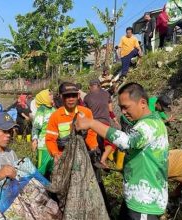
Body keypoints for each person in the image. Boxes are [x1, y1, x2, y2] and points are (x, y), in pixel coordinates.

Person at [76, 82, 169, 219]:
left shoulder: (149, 125)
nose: (123, 112)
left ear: (142, 103)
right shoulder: (150, 121)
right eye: (120, 108)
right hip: (135, 197)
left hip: (145, 202)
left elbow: (126, 142)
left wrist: (92, 123)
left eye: (126, 107)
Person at [45, 82, 98, 163]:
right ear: (62, 97)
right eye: (67, 96)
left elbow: (91, 134)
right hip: (63, 159)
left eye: (74, 95)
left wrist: (93, 147)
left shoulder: (86, 112)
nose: (71, 99)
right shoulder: (55, 116)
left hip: (83, 157)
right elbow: (50, 139)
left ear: (78, 96)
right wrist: (55, 153)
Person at [84, 79, 119, 169]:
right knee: (110, 143)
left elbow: (85, 113)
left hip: (93, 125)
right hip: (105, 125)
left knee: (94, 146)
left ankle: (94, 163)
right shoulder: (106, 94)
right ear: (99, 85)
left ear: (90, 87)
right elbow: (110, 111)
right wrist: (115, 120)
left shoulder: (87, 97)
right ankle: (103, 160)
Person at [31, 89, 56, 177]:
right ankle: (39, 187)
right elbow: (36, 126)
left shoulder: (53, 108)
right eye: (49, 94)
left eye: (51, 94)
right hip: (43, 144)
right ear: (44, 98)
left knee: (51, 167)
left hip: (53, 143)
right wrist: (34, 140)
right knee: (42, 168)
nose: (51, 96)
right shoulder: (41, 110)